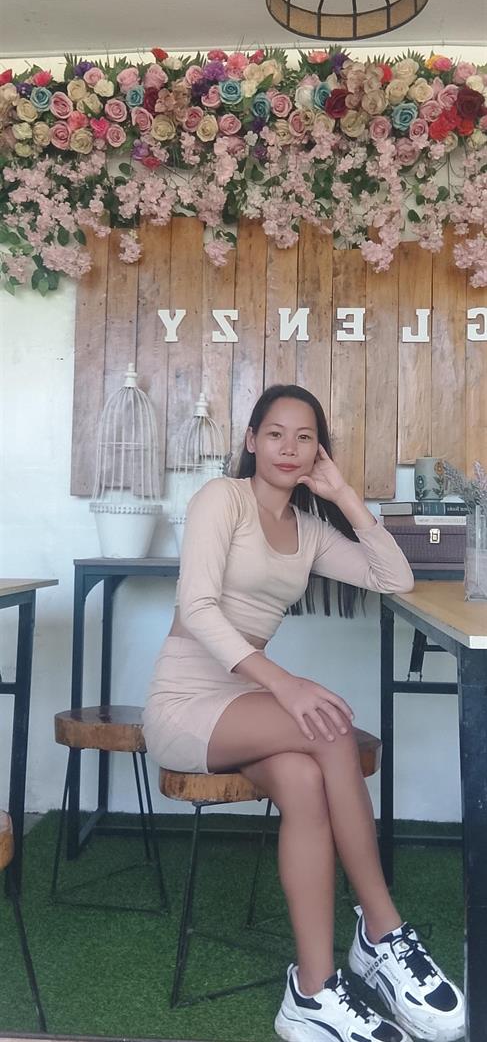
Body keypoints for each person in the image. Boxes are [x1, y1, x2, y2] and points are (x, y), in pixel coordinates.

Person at [143, 384, 465, 1042]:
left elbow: (394, 578)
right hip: (187, 703)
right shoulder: (221, 499)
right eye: (275, 434)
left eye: (305, 437)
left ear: (319, 450)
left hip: (243, 702)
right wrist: (285, 685)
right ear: (250, 440)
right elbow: (198, 608)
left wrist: (343, 496)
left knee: (304, 777)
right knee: (331, 729)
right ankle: (381, 930)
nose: (288, 448)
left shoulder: (309, 531)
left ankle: (312, 992)